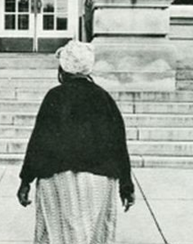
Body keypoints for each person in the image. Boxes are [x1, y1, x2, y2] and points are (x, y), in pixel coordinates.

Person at [17, 41, 135, 243]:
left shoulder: (56, 96)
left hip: (58, 179)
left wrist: (26, 180)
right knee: (95, 236)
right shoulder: (104, 97)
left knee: (56, 234)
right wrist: (126, 185)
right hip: (99, 180)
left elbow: (39, 141)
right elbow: (118, 144)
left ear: (63, 69)